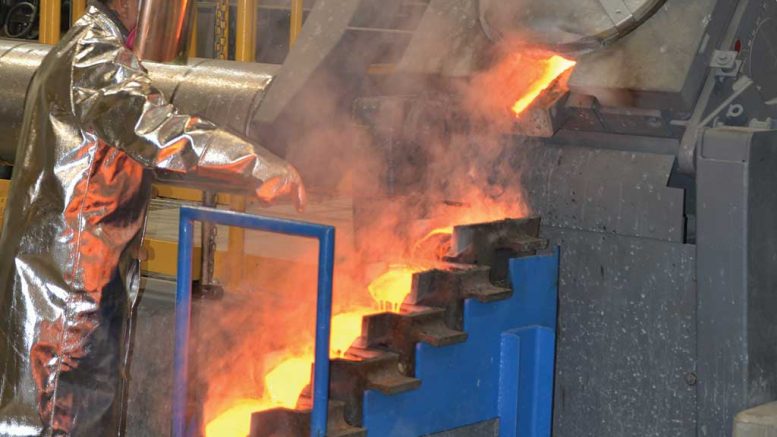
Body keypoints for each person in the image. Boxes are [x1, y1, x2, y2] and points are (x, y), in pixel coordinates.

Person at [0, 0, 306, 435]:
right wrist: (257, 165)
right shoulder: (95, 59)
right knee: (60, 419)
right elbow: (163, 132)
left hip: (74, 275)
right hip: (66, 289)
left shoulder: (89, 45)